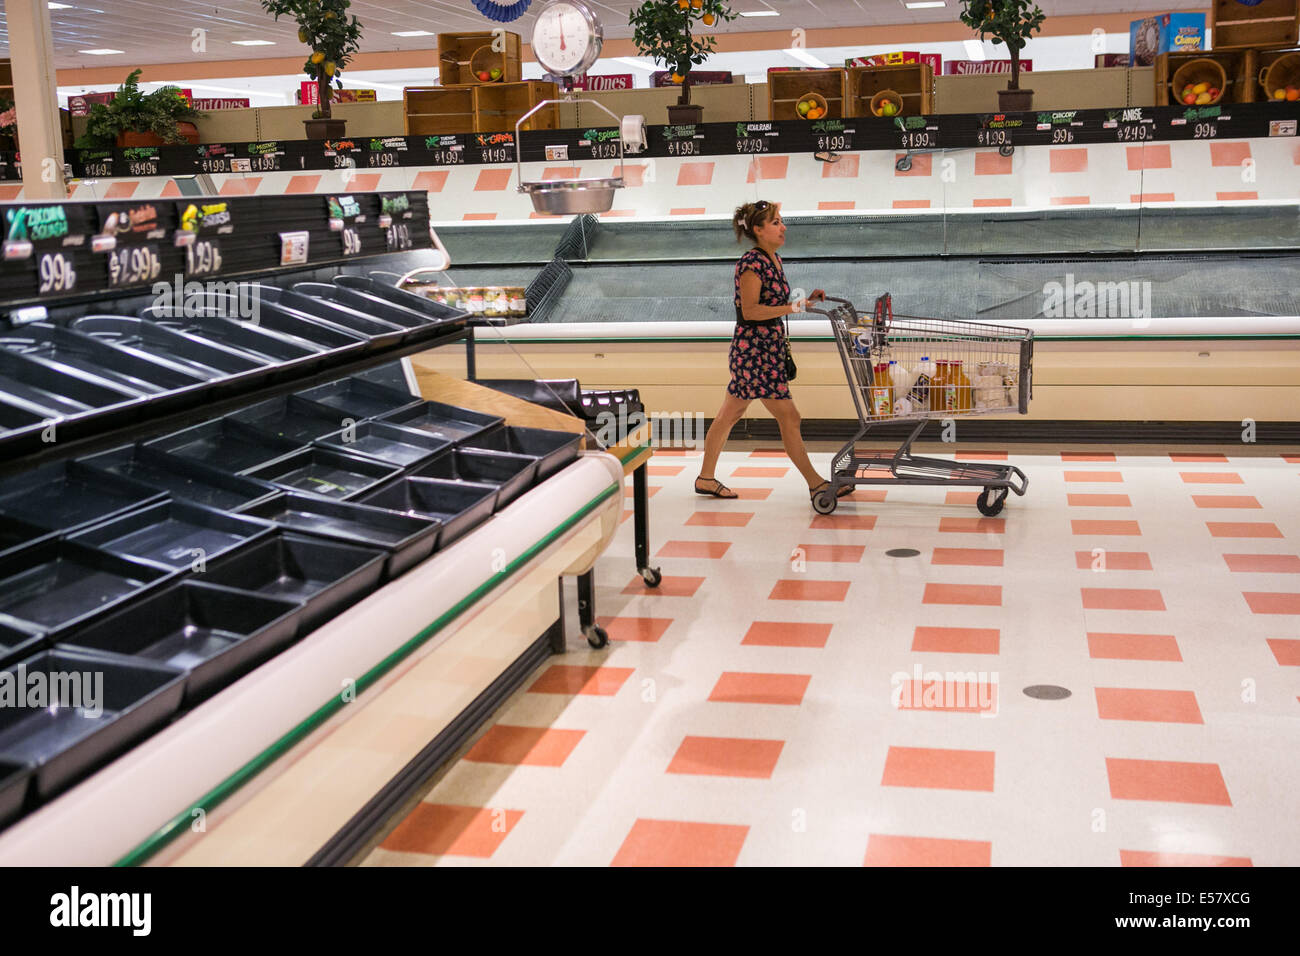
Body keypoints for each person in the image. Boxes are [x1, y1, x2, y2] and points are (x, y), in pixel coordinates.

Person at [694, 200, 849, 505]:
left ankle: (705, 478)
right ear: (758, 230)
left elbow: (770, 302)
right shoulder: (751, 263)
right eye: (776, 222)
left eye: (781, 221)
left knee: (730, 414)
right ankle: (816, 485)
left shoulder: (772, 259)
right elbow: (751, 311)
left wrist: (804, 301)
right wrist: (794, 307)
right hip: (755, 353)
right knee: (789, 416)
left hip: (765, 349)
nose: (783, 227)